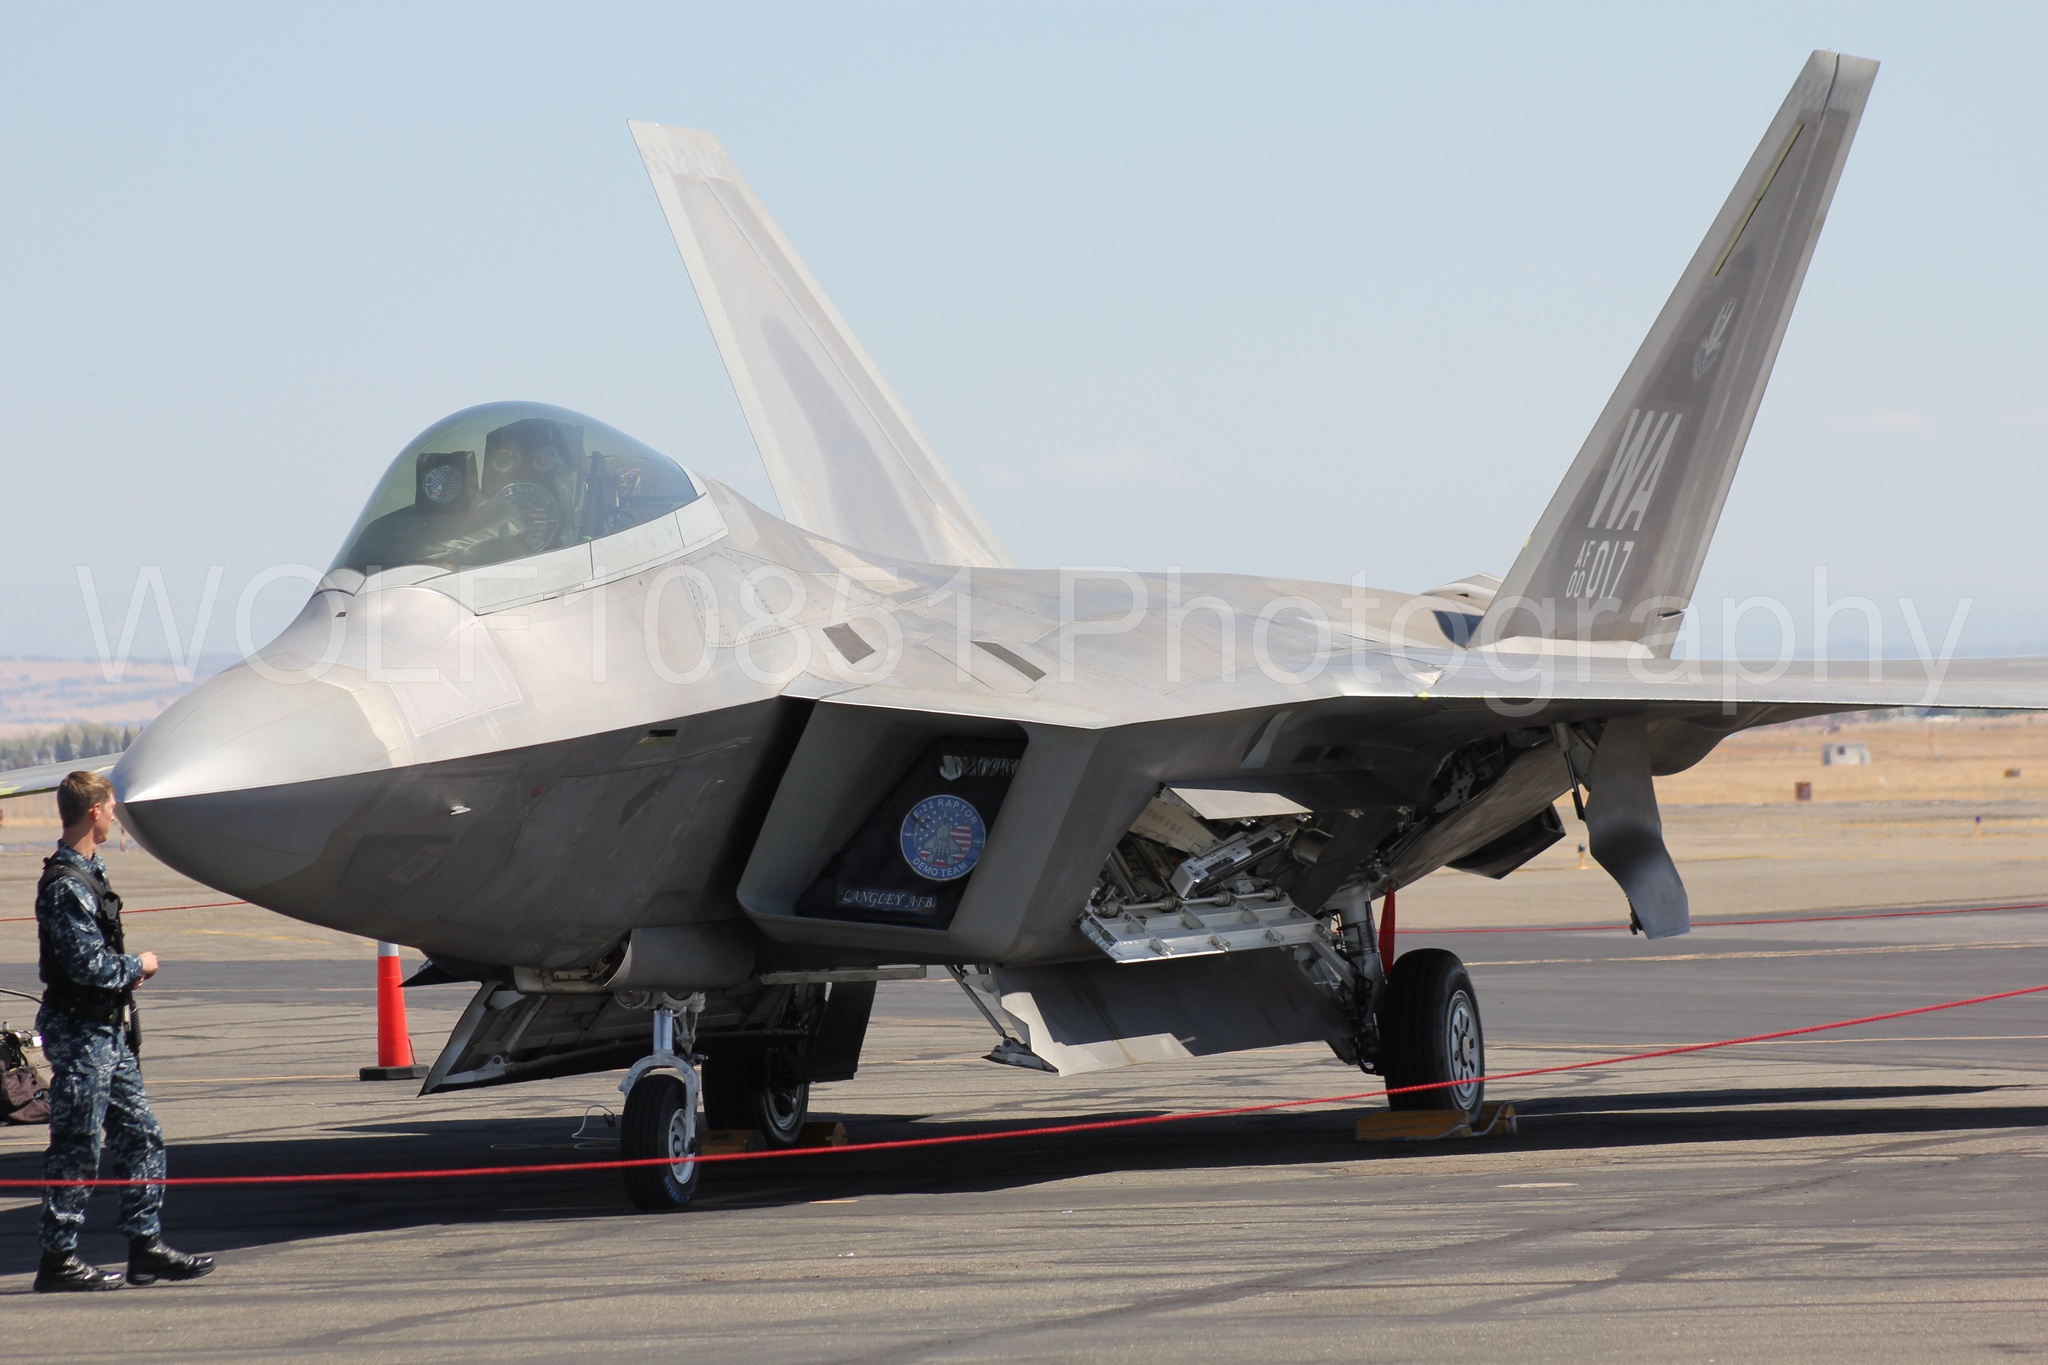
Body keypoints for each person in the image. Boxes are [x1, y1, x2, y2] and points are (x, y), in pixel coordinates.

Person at [32, 770, 214, 1292]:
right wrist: (139, 965)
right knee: (78, 1144)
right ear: (93, 812)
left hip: (108, 1033)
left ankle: (145, 1244)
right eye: (110, 808)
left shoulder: (90, 872)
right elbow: (86, 964)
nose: (114, 816)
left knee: (141, 1136)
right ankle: (58, 1257)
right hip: (82, 1033)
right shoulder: (67, 884)